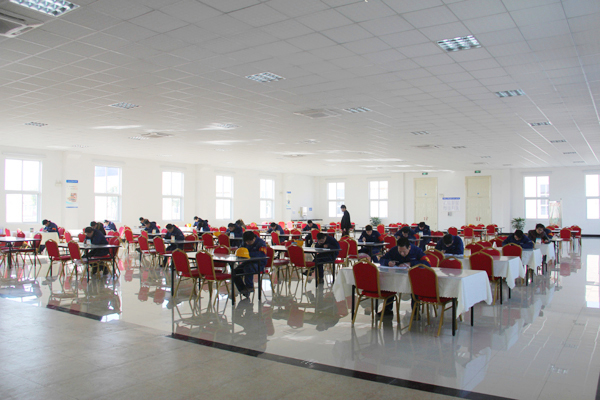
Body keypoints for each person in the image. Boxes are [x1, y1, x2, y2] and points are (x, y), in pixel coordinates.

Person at [378, 237, 431, 317]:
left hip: (413, 278)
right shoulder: (394, 250)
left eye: (404, 252)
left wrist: (411, 264)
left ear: (409, 247)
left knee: (415, 288)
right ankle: (387, 308)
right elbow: (382, 260)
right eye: (400, 251)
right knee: (389, 284)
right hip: (397, 277)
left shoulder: (417, 250)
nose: (402, 254)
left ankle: (415, 311)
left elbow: (427, 263)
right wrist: (388, 262)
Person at [233, 231, 268, 297]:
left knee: (248, 268)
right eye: (246, 242)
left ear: (254, 239)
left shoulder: (261, 243)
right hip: (247, 262)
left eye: (249, 242)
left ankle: (249, 287)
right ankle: (243, 289)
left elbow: (262, 255)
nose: (247, 243)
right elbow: (241, 250)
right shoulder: (245, 242)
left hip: (259, 264)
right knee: (234, 272)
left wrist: (248, 254)